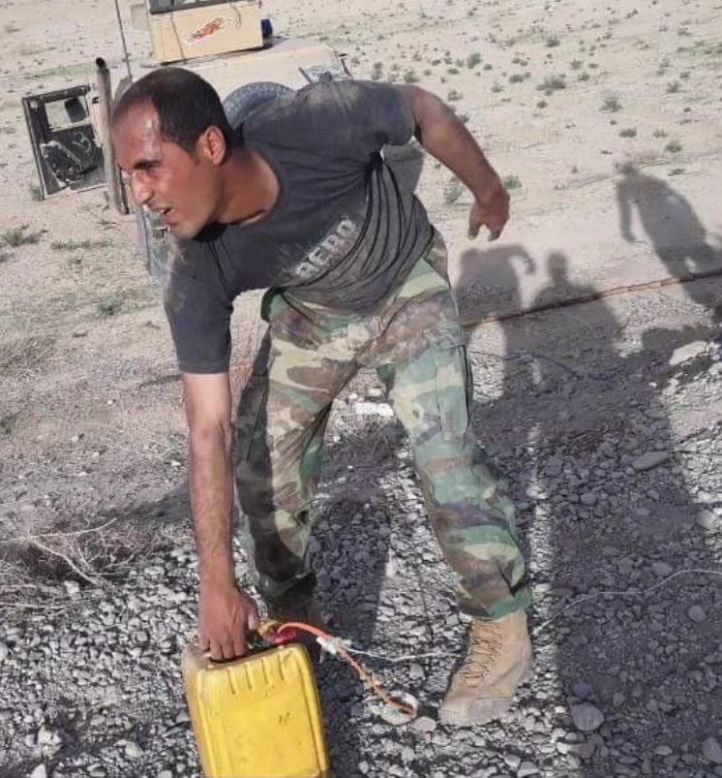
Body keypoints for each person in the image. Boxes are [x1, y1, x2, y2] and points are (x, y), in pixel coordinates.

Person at [111, 67, 531, 726]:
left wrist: (488, 188)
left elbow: (424, 110)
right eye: (128, 175)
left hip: (403, 286)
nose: (138, 194)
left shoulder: (317, 122)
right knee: (261, 466)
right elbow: (207, 429)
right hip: (312, 314)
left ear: (211, 148)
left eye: (148, 168)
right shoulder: (194, 266)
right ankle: (295, 617)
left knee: (446, 460)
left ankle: (502, 627)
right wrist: (216, 583)